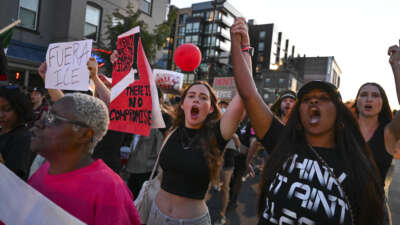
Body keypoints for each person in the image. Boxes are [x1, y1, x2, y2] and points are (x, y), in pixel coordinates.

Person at [231, 17, 387, 225]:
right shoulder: (284, 142)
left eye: (323, 99)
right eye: (306, 99)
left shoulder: (359, 168)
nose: (314, 100)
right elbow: (249, 93)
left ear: (339, 113)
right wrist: (240, 44)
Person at [28, 93, 141, 225]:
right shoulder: (44, 170)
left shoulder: (109, 190)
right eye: (46, 115)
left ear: (84, 134)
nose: (38, 123)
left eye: (52, 118)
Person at [146, 81, 245, 225]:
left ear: (211, 108)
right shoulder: (172, 131)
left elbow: (244, 94)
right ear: (183, 104)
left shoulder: (217, 135)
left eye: (203, 97)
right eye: (191, 96)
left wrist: (243, 57)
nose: (196, 99)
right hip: (155, 216)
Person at [353, 82, 395, 225]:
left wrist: (396, 63)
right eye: (363, 95)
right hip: (340, 205)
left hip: (373, 213)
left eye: (375, 95)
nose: (369, 99)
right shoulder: (343, 131)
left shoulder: (389, 133)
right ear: (357, 102)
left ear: (382, 103)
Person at [214, 100, 241, 225]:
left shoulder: (235, 126)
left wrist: (234, 137)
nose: (224, 108)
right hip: (216, 160)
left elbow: (238, 146)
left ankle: (222, 214)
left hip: (228, 160)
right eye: (222, 106)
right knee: (211, 183)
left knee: (225, 187)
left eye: (226, 106)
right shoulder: (214, 125)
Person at [0, 86, 34, 180]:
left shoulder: (23, 138)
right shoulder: (2, 130)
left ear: (20, 109)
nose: (1, 115)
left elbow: (13, 179)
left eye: (6, 109)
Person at [126, 128, 163, 200]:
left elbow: (159, 152)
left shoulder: (155, 130)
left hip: (147, 170)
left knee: (142, 199)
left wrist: (159, 172)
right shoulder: (133, 128)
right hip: (132, 169)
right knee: (130, 197)